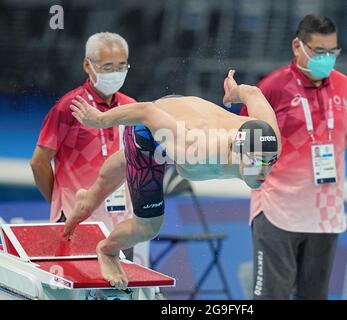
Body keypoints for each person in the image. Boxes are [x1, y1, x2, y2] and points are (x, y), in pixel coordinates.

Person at [64, 70, 281, 289]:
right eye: (256, 162)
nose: (264, 171)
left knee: (133, 159)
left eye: (270, 162)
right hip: (152, 129)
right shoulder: (196, 149)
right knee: (148, 227)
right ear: (237, 151)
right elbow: (146, 111)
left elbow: (253, 93)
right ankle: (107, 251)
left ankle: (88, 197)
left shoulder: (269, 139)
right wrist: (100, 119)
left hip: (182, 117)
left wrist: (234, 92)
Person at [239, 14, 347, 299]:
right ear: (297, 46)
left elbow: (345, 144)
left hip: (325, 217)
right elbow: (242, 144)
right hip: (278, 213)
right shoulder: (271, 88)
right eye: (319, 52)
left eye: (333, 52)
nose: (327, 59)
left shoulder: (345, 87)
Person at [30, 32, 139, 261]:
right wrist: (60, 202)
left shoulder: (131, 108)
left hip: (120, 226)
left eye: (121, 66)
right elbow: (39, 162)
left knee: (120, 293)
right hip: (77, 221)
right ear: (87, 66)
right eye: (107, 67)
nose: (116, 73)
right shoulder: (69, 106)